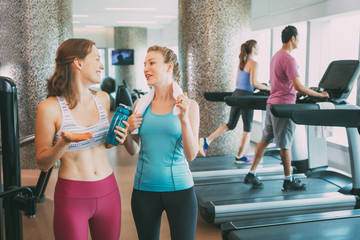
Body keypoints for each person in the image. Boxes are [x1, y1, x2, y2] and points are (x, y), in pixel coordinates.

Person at [35, 38, 128, 240]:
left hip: (109, 190)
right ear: (78, 63)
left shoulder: (103, 98)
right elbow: (43, 163)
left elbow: (104, 145)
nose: (101, 65)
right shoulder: (49, 108)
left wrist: (117, 138)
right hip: (72, 195)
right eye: (96, 58)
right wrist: (65, 142)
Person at [124, 45, 200, 240]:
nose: (145, 68)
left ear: (169, 67)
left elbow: (191, 155)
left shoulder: (189, 106)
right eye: (144, 64)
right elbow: (133, 150)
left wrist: (183, 119)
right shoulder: (140, 106)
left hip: (181, 191)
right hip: (143, 191)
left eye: (152, 63)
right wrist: (126, 131)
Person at [244, 26, 329, 191]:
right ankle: (288, 179)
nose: (299, 41)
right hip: (283, 107)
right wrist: (320, 95)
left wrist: (302, 90)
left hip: (272, 105)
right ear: (292, 38)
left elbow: (286, 83)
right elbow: (298, 85)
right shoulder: (289, 59)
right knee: (285, 145)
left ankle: (252, 172)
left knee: (264, 140)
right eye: (298, 38)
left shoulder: (276, 56)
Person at [199, 40, 271, 164]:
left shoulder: (241, 63)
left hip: (237, 94)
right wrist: (268, 88)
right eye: (257, 47)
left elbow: (238, 83)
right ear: (253, 48)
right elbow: (254, 83)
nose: (259, 49)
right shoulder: (254, 63)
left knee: (230, 125)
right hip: (246, 97)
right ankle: (240, 156)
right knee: (247, 128)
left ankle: (207, 140)